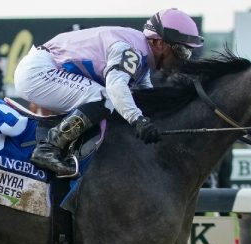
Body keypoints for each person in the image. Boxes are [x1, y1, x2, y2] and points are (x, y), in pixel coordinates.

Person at [14, 8, 204, 176]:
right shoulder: (131, 50)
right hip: (38, 72)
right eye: (181, 51)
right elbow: (116, 88)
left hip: (45, 68)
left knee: (110, 99)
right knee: (105, 97)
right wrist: (138, 120)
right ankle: (48, 148)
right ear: (159, 43)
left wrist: (155, 122)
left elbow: (143, 97)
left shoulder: (142, 57)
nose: (183, 59)